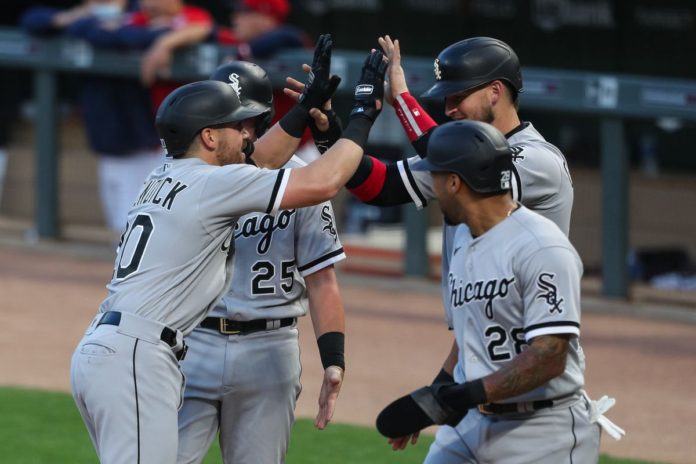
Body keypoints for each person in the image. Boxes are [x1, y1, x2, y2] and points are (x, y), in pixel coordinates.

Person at [69, 37, 388, 463]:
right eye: (235, 127)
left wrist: (302, 109)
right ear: (208, 136)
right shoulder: (212, 184)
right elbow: (322, 182)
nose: (245, 135)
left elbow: (260, 159)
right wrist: (363, 115)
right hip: (137, 356)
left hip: (105, 349)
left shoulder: (167, 175)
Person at [309, 36, 575, 450]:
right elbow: (378, 184)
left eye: (457, 97)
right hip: (474, 377)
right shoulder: (452, 161)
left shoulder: (538, 160)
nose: (449, 109)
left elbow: (467, 164)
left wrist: (401, 99)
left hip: (538, 395)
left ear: (496, 92)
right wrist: (331, 131)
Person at [375, 120, 624, 463]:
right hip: (470, 425)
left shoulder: (540, 246)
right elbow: (469, 334)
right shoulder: (463, 238)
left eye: (434, 175)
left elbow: (550, 355)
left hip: (542, 431)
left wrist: (461, 396)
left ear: (453, 182)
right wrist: (435, 397)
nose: (429, 185)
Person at [176, 60, 346, 464]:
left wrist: (334, 360)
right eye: (231, 120)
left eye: (249, 120)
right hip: (192, 341)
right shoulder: (190, 178)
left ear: (266, 120)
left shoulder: (302, 181)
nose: (243, 131)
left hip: (269, 348)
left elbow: (322, 279)